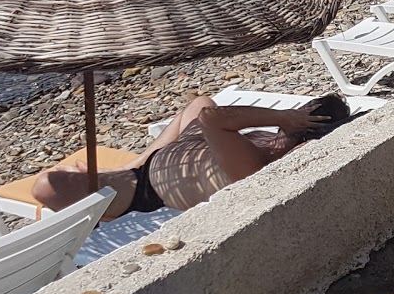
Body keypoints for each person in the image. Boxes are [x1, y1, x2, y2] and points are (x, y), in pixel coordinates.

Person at [33, 93, 351, 217]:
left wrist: (281, 118)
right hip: (170, 160)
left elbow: (215, 121)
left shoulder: (255, 165)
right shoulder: (267, 146)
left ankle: (126, 169)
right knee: (199, 102)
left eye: (301, 114)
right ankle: (138, 158)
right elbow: (205, 112)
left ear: (300, 129)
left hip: (144, 191)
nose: (292, 113)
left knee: (46, 185)